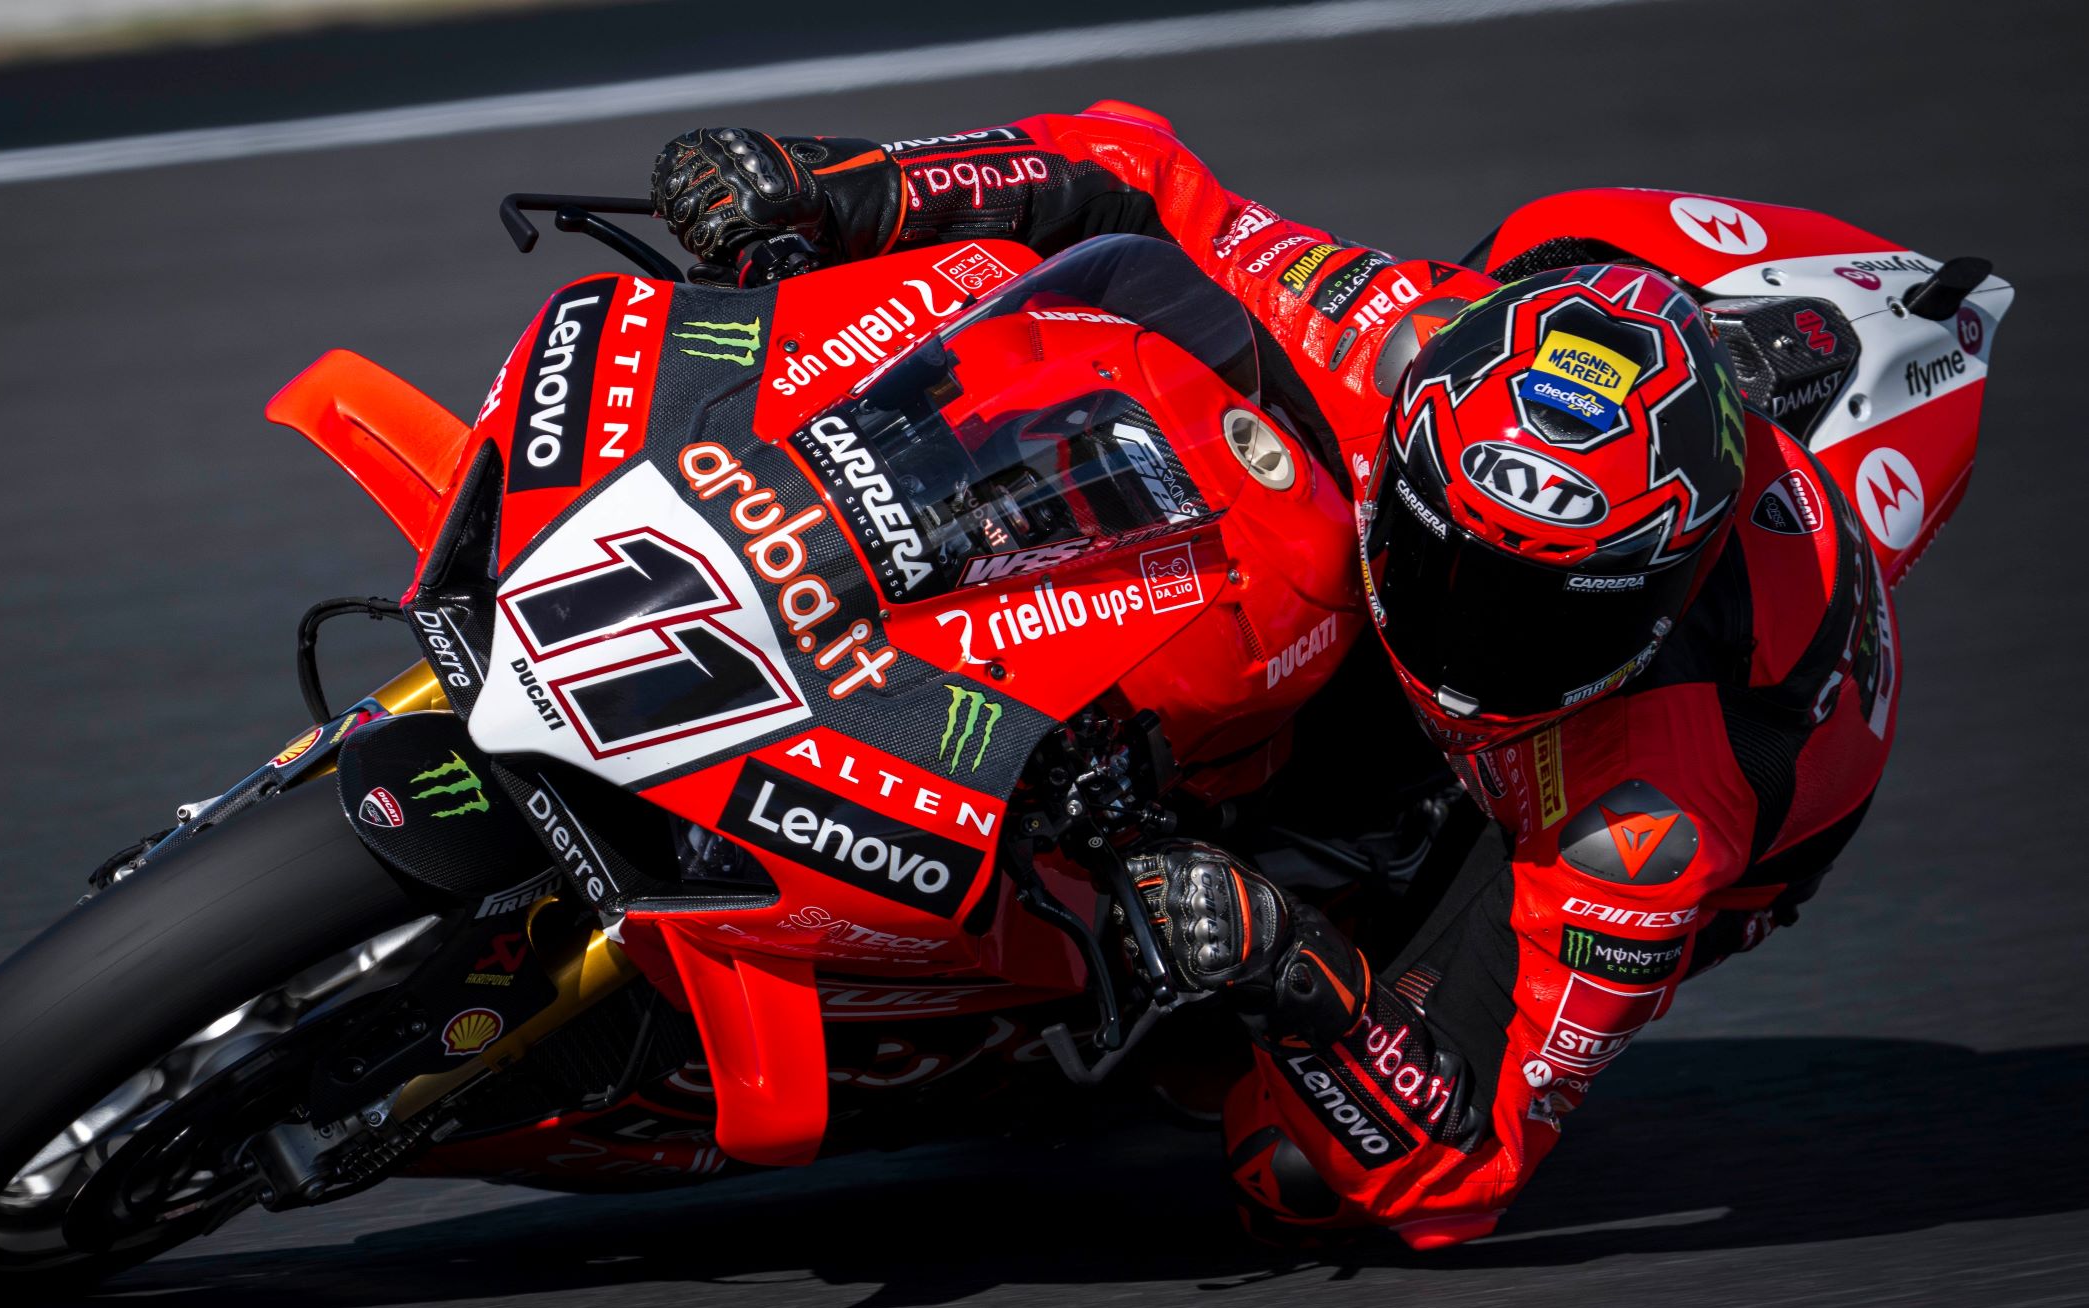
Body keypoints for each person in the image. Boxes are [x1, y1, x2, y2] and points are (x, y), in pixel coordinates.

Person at [649, 109, 1899, 1248]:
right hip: (1454, 546)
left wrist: (1291, 968)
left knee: (1287, 1162)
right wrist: (836, 191)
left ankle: (1067, 1020)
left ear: (1655, 592)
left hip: (1539, 798)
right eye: (1449, 563)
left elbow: (1470, 1163)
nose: (1473, 632)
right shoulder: (1399, 338)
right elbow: (1127, 176)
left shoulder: (1653, 819)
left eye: (1535, 616)